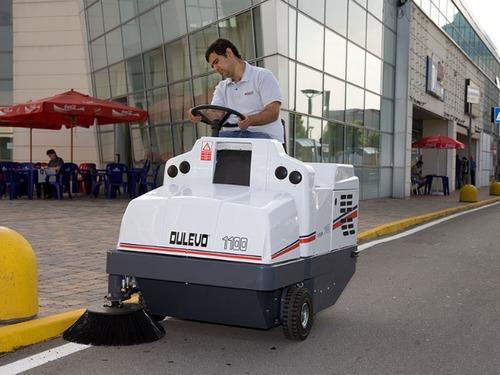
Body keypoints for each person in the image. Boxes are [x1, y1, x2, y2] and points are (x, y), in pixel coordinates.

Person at [188, 38, 284, 143]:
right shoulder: (222, 87)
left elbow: (272, 112)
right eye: (213, 66)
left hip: (264, 138)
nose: (215, 68)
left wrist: (250, 120)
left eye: (216, 62)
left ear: (229, 53)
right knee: (206, 145)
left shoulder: (262, 76)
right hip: (233, 137)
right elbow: (216, 114)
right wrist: (199, 114)